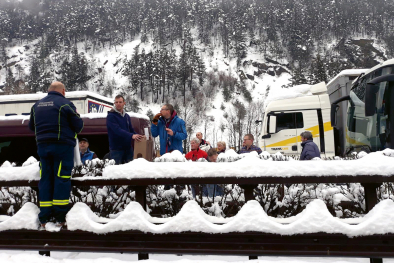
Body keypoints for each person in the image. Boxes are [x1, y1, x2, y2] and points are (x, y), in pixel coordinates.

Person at [28, 81, 84, 228]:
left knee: (46, 178)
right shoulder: (65, 104)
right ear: (63, 91)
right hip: (62, 147)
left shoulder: (36, 106)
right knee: (62, 178)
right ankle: (60, 216)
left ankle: (45, 216)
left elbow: (30, 126)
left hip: (42, 147)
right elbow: (79, 126)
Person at [106, 95, 144, 165]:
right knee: (116, 172)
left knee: (130, 171)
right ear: (114, 103)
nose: (118, 104)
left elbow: (131, 130)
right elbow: (117, 130)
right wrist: (131, 135)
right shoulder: (111, 116)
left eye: (120, 102)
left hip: (128, 149)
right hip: (116, 149)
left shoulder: (126, 116)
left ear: (124, 103)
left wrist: (141, 137)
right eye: (116, 102)